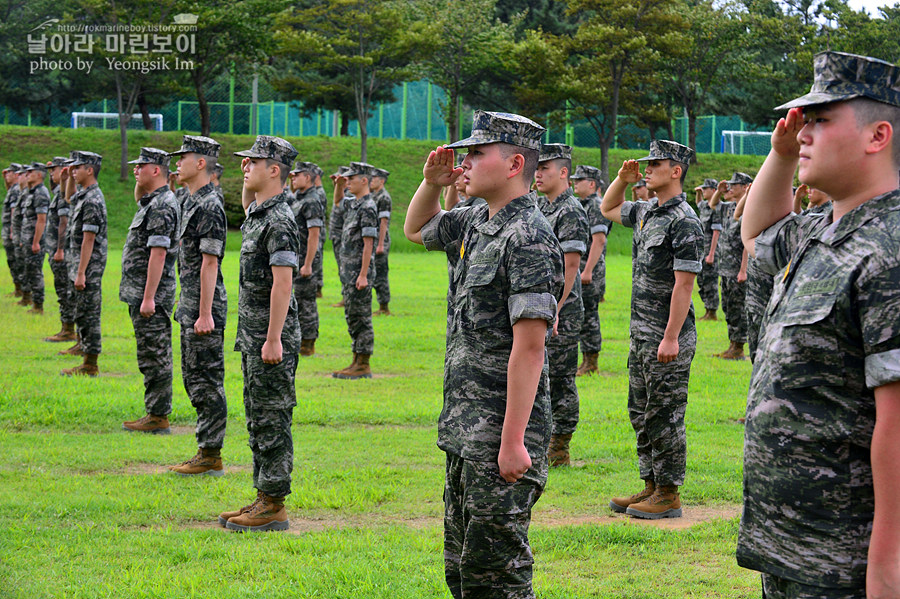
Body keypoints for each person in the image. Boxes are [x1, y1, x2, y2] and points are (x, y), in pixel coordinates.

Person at [736, 51, 900, 599]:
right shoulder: (820, 229)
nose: (803, 131)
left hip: (847, 560)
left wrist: (888, 562)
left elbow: (897, 421)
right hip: (791, 547)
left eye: (821, 120)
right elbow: (756, 231)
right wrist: (781, 157)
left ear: (878, 136)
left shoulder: (891, 247)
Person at [404, 110, 563, 599]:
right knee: (464, 567)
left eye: (477, 153)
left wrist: (514, 441)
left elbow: (531, 346)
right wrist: (431, 184)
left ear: (515, 164)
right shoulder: (476, 218)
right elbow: (417, 230)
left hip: (502, 430)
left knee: (498, 575)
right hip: (465, 427)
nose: (464, 161)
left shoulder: (530, 235)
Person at [601, 140, 703, 519]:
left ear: (676, 171)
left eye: (655, 164)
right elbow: (608, 207)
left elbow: (684, 284)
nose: (647, 169)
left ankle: (669, 492)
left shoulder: (685, 220)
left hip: (667, 336)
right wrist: (622, 179)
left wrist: (672, 336)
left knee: (665, 413)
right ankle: (651, 484)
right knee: (641, 411)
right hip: (642, 333)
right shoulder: (646, 211)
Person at [218, 135, 301, 532]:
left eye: (253, 162)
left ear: (275, 170)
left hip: (270, 338)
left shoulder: (281, 219)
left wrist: (273, 338)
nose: (245, 166)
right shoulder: (259, 214)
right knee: (257, 417)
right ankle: (263, 495)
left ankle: (274, 504)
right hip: (254, 334)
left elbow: (282, 283)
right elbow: (248, 198)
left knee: (272, 417)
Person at [167, 135, 229, 475]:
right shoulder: (189, 199)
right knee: (193, 376)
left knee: (206, 379)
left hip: (204, 307)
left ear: (201, 163)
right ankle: (205, 449)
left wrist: (205, 313)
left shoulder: (209, 205)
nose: (177, 163)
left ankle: (210, 454)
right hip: (190, 303)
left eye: (184, 157)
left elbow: (210, 263)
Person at [534, 144, 589, 467]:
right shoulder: (543, 206)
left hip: (561, 310)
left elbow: (571, 266)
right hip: (544, 305)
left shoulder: (570, 210)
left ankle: (560, 447)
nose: (538, 173)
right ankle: (543, 439)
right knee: (541, 374)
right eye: (536, 168)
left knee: (560, 377)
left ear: (563, 172)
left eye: (545, 168)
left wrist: (556, 307)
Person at [120, 148, 181, 434]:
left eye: (141, 166)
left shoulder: (163, 206)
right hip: (141, 291)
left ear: (156, 170)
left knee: (155, 353)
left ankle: (158, 416)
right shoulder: (152, 201)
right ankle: (153, 412)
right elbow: (137, 195)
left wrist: (148, 297)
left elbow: (158, 254)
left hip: (151, 296)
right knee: (148, 352)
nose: (135, 170)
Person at [60, 151, 107, 377]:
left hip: (88, 268)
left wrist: (81, 272)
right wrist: (69, 177)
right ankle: (84, 350)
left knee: (89, 314)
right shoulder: (84, 195)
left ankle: (90, 364)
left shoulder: (93, 200)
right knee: (82, 311)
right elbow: (69, 198)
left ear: (90, 170)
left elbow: (89, 239)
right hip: (80, 265)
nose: (74, 171)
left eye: (77, 168)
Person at [332, 162, 377, 380]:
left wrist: (363, 275)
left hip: (359, 274)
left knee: (361, 318)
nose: (347, 182)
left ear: (364, 181)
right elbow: (338, 202)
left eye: (351, 179)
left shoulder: (368, 206)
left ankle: (363, 364)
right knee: (352, 316)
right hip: (349, 272)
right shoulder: (355, 204)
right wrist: (338, 185)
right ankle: (356, 360)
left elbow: (369, 243)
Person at [570, 164, 612, 376]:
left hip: (589, 270)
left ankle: (591, 362)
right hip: (580, 269)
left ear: (592, 184)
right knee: (580, 315)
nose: (575, 183)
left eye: (580, 180)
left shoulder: (596, 205)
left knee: (589, 316)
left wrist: (587, 271)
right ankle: (584, 359)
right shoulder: (582, 204)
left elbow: (599, 240)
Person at [709, 172, 753, 360]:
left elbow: (747, 242)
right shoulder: (729, 208)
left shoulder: (750, 209)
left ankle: (739, 347)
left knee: (738, 307)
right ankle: (732, 345)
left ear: (745, 187)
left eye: (736, 184)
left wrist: (743, 270)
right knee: (728, 306)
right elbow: (712, 205)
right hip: (726, 267)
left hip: (737, 269)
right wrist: (718, 192)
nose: (731, 187)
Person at [287, 160, 324, 357]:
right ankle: (299, 339)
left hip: (306, 261)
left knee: (306, 302)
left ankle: (308, 343)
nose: (293, 178)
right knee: (296, 300)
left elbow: (314, 234)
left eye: (297, 175)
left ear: (307, 178)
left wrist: (308, 264)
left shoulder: (312, 200)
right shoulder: (298, 198)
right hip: (296, 259)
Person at [44, 157, 78, 341]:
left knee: (65, 290)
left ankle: (68, 329)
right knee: (61, 289)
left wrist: (60, 249)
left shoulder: (66, 195)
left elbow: (64, 223)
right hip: (55, 251)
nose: (51, 174)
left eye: (54, 170)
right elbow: (53, 186)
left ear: (64, 170)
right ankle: (66, 327)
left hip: (62, 253)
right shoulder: (59, 191)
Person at [19, 162, 51, 314]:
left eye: (31, 172)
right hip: (28, 239)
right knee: (29, 271)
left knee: (35, 272)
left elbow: (41, 219)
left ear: (39, 175)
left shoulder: (41, 193)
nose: (27, 175)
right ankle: (32, 301)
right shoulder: (31, 192)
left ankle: (38, 305)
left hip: (34, 240)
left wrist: (36, 241)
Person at [694, 178, 721, 321]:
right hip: (701, 250)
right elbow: (698, 204)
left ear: (714, 190)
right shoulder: (705, 205)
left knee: (710, 281)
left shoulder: (716, 208)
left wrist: (711, 254)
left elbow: (716, 232)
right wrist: (698, 192)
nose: (703, 191)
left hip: (711, 250)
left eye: (706, 189)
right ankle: (707, 309)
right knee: (701, 280)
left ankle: (712, 312)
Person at [370, 167, 392, 315]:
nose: (371, 181)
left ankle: (384, 306)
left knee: (381, 274)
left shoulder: (383, 198)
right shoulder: (373, 195)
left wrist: (380, 244)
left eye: (374, 179)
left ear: (381, 181)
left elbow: (383, 222)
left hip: (380, 240)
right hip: (373, 240)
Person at [2, 164, 23, 297]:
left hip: (11, 231)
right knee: (11, 261)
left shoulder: (16, 190)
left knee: (15, 261)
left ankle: (20, 290)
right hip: (8, 230)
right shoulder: (12, 189)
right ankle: (18, 289)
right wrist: (5, 178)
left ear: (16, 174)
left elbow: (14, 212)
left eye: (9, 173)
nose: (7, 175)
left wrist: (12, 231)